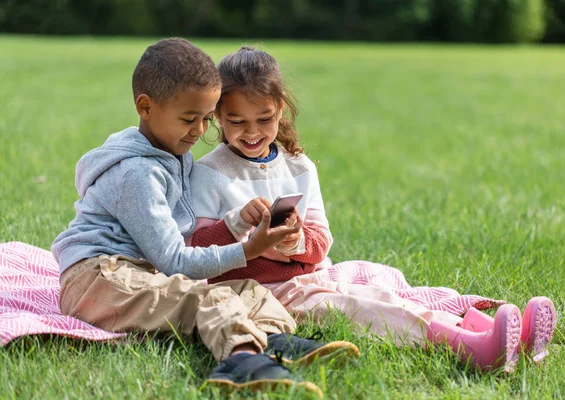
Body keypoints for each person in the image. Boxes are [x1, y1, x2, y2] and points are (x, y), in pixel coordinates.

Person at [189, 46, 557, 373]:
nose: (251, 132)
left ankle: (490, 329)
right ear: (219, 116)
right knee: (360, 307)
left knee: (384, 287)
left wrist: (295, 242)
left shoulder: (299, 167)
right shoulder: (210, 173)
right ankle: (468, 344)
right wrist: (238, 225)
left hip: (313, 275)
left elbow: (321, 241)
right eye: (237, 122)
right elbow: (196, 251)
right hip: (265, 291)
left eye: (264, 119)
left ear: (281, 108)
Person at [51, 38, 358, 396]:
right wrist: (248, 250)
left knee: (250, 291)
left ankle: (276, 342)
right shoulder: (136, 174)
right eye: (188, 119)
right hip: (99, 280)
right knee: (206, 298)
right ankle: (241, 363)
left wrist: (235, 224)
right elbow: (175, 261)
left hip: (139, 274)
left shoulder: (171, 152)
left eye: (206, 118)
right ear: (146, 107)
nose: (199, 131)